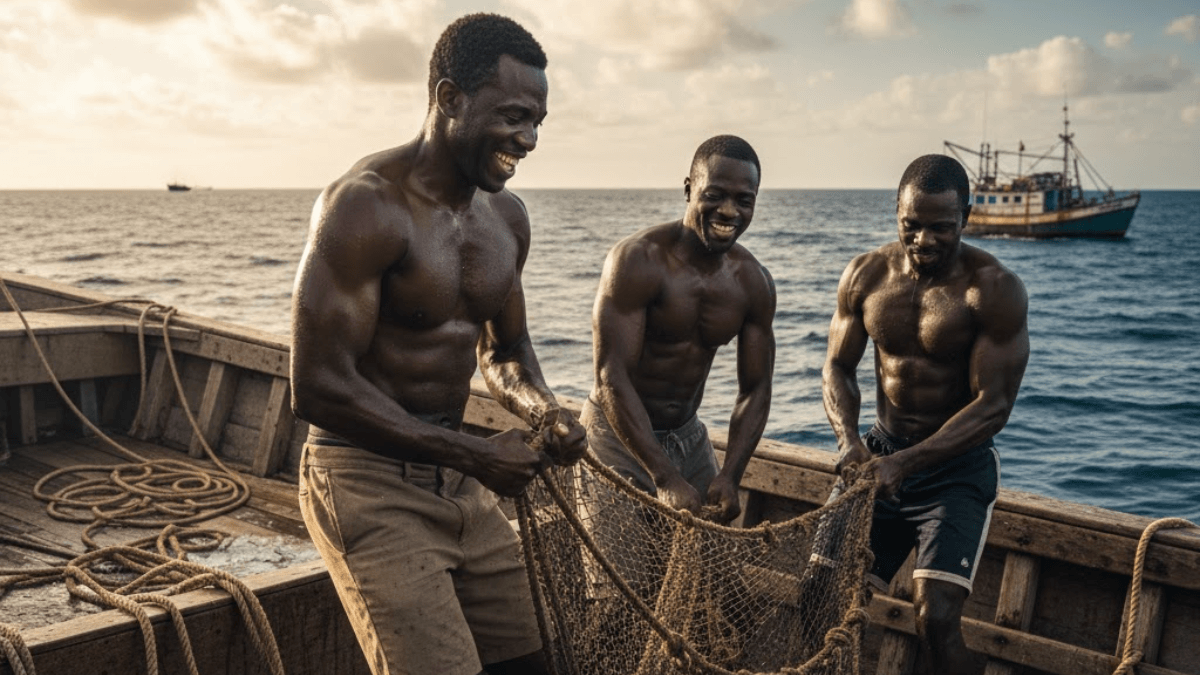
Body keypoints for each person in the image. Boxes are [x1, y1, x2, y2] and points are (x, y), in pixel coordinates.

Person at [288, 13, 587, 675]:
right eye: (513, 115)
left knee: (537, 662)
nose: (529, 137)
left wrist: (545, 411)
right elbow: (316, 386)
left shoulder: (506, 219)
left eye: (539, 120)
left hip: (459, 479)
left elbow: (505, 352)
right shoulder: (364, 207)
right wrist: (474, 452)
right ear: (450, 98)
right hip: (363, 480)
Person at [822, 154, 1029, 674]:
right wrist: (850, 441)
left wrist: (907, 465)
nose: (924, 241)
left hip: (955, 471)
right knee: (819, 595)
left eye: (941, 228)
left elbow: (993, 406)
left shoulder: (994, 290)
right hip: (878, 457)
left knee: (934, 620)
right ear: (896, 213)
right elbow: (837, 368)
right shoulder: (866, 275)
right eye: (911, 226)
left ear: (968, 218)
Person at [583, 134, 776, 524]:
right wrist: (665, 476)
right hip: (615, 434)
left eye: (744, 201)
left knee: (711, 578)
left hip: (688, 438)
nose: (728, 211)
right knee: (617, 579)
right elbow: (610, 377)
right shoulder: (637, 261)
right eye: (715, 195)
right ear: (689, 189)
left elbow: (756, 388)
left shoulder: (753, 282)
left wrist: (731, 474)